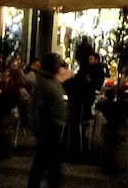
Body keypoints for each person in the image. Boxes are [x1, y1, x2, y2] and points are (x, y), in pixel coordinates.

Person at [28, 52, 72, 188]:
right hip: (47, 127)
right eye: (56, 63)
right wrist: (36, 127)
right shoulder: (42, 82)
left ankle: (51, 182)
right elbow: (35, 105)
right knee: (42, 162)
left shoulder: (53, 80)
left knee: (51, 162)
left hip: (56, 127)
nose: (59, 66)